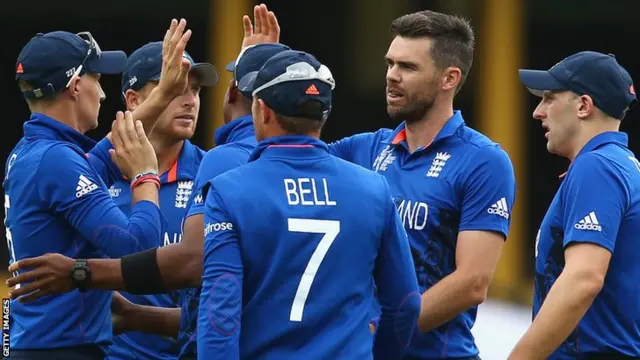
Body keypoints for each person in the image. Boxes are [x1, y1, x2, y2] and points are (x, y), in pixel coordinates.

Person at [197, 48, 420, 359]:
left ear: (261, 110)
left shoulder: (229, 190)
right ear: (323, 115)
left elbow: (221, 313)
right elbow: (407, 303)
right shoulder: (373, 188)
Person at [327, 10, 516, 360]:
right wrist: (257, 72)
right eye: (390, 64)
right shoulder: (365, 148)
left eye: (408, 68)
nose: (391, 76)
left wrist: (379, 331)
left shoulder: (484, 161)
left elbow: (473, 283)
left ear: (449, 79)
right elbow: (282, 157)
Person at [3, 20, 192, 359]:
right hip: (63, 349)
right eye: (97, 79)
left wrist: (165, 92)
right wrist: (146, 175)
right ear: (76, 86)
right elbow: (139, 249)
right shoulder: (56, 159)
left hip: (40, 341)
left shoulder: (34, 149)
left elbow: (115, 144)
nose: (103, 93)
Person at [508, 51, 638, 360]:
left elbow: (584, 278)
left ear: (583, 106)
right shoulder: (622, 165)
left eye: (549, 98)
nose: (538, 112)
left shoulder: (597, 167)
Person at [105, 41, 217, 360]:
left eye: (195, 91)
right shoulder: (96, 174)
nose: (190, 101)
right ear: (133, 99)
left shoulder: (213, 174)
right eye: (174, 88)